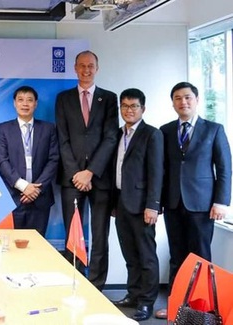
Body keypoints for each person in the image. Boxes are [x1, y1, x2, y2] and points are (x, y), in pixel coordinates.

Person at [154, 82, 231, 319]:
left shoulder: (213, 129)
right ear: (173, 102)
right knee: (177, 256)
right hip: (174, 202)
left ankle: (203, 307)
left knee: (201, 256)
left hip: (203, 204)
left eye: (187, 97)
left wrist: (221, 201)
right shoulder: (165, 131)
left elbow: (225, 167)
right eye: (177, 98)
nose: (183, 102)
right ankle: (177, 303)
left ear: (196, 100)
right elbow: (160, 169)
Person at [55, 50, 118, 290]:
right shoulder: (64, 99)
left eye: (90, 65)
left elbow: (111, 137)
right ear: (75, 68)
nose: (86, 70)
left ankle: (96, 285)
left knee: (100, 235)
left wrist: (90, 171)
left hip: (100, 178)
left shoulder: (109, 98)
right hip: (72, 179)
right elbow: (62, 138)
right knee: (73, 233)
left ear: (97, 68)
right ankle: (76, 281)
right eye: (81, 66)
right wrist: (77, 173)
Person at [109, 89, 162, 321]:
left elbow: (156, 172)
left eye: (134, 106)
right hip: (121, 203)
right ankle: (133, 294)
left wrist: (153, 205)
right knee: (130, 253)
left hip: (142, 206)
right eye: (125, 106)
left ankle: (147, 302)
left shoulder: (152, 134)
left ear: (143, 109)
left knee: (146, 256)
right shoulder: (119, 133)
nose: (128, 110)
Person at [0, 86, 59, 236]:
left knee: (37, 246)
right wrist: (23, 186)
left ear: (35, 104)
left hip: (40, 198)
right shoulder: (3, 129)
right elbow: (2, 161)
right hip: (13, 197)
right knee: (11, 245)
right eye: (21, 100)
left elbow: (53, 159)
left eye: (29, 100)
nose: (25, 104)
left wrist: (36, 189)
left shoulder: (48, 128)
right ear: (14, 103)